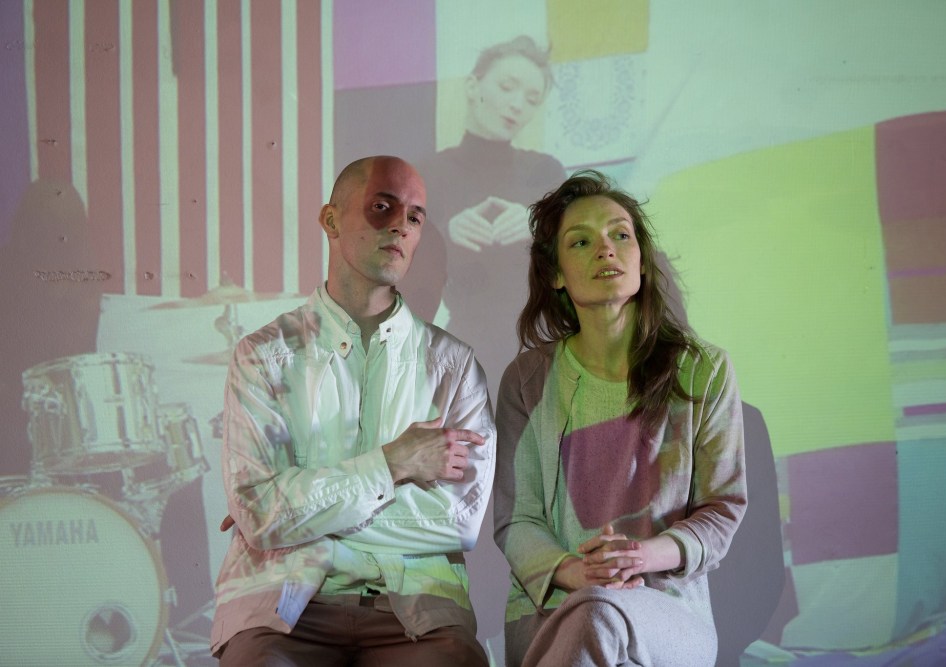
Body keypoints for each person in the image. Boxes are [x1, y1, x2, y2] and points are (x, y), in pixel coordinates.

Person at [210, 156, 495, 666]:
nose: (400, 226)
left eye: (414, 217)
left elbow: (457, 522)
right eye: (382, 207)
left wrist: (296, 512)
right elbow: (259, 512)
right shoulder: (262, 355)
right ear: (331, 219)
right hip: (281, 610)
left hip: (416, 613)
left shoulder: (454, 366)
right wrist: (394, 464)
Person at [493, 170, 747, 666]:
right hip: (551, 611)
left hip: (669, 611)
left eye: (620, 235)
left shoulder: (704, 369)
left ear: (642, 261)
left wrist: (641, 557)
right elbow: (516, 518)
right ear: (556, 275)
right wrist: (577, 573)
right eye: (581, 241)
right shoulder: (526, 379)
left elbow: (722, 510)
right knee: (593, 608)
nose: (605, 249)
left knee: (600, 611)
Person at [399, 35, 566, 399]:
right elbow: (398, 275)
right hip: (465, 361)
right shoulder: (427, 174)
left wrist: (538, 225)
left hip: (543, 355)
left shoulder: (546, 172)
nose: (517, 104)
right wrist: (441, 234)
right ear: (474, 86)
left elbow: (575, 262)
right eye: (507, 87)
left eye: (531, 99)